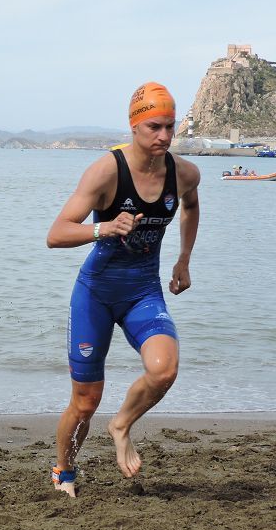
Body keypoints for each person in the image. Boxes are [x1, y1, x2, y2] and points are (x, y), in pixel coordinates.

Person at [46, 82, 200, 497]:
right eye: (154, 127)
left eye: (170, 127)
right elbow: (56, 234)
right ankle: (64, 469)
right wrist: (103, 227)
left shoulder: (183, 172)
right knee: (85, 402)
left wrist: (183, 259)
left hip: (144, 292)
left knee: (164, 369)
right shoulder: (106, 171)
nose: (164, 137)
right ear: (134, 126)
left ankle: (122, 425)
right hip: (96, 293)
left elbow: (190, 205)